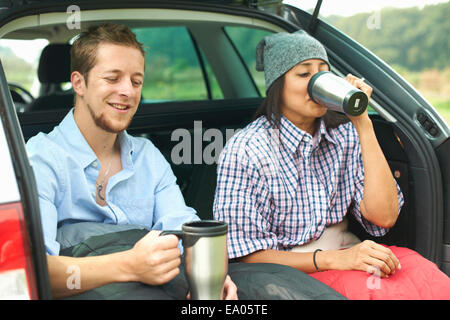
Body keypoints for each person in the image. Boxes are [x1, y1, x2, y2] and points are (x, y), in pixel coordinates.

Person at [213, 30, 450, 299]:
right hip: (284, 274)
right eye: (304, 74)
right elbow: (244, 255)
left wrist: (363, 123)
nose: (316, 82)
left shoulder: (344, 134)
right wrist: (333, 260)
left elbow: (384, 216)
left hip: (349, 256)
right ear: (277, 86)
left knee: (427, 278)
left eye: (323, 73)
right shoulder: (246, 149)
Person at [26, 23, 237, 300]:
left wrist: (211, 276)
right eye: (113, 79)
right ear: (79, 83)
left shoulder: (148, 156)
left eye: (136, 81)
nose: (128, 91)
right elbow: (32, 271)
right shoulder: (41, 157)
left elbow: (184, 224)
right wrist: (129, 265)